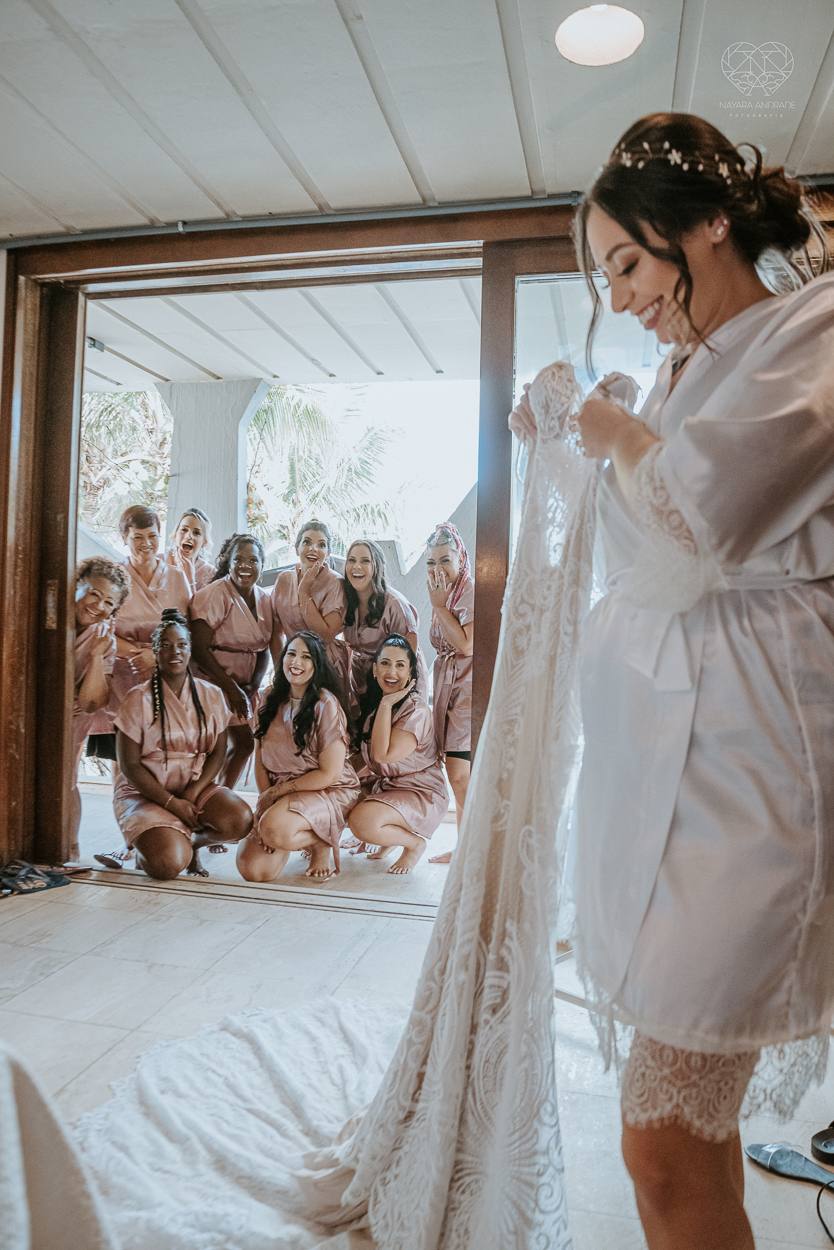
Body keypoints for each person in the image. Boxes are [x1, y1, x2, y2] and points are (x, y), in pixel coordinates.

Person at [510, 112, 834, 1250]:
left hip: (759, 760)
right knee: (679, 1130)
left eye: (631, 263)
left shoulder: (815, 327)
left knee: (660, 1133)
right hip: (669, 763)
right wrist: (572, 435)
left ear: (706, 224)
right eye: (608, 276)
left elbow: (713, 515)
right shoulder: (679, 373)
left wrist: (612, 432)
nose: (626, 295)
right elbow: (645, 556)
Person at [112, 609, 252, 879]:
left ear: (190, 650)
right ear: (154, 651)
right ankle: (150, 849)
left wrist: (191, 793)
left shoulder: (211, 695)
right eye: (165, 645)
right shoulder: (136, 699)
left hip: (193, 785)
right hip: (145, 792)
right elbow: (129, 766)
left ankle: (190, 844)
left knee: (240, 819)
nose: (174, 652)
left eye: (181, 645)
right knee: (167, 864)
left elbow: (219, 753)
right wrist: (172, 803)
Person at [91, 504, 192, 869]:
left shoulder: (178, 577)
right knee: (123, 761)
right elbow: (99, 627)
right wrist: (137, 650)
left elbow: (183, 630)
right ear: (124, 538)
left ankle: (165, 831)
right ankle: (127, 842)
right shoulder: (115, 576)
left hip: (162, 678)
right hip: (121, 676)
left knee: (161, 758)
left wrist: (156, 655)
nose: (146, 544)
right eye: (137, 537)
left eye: (152, 537)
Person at [236, 632, 359, 883]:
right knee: (254, 871)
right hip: (282, 790)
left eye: (306, 657)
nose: (296, 662)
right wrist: (266, 797)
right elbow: (260, 757)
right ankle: (288, 827)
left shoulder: (326, 704)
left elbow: (330, 773)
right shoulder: (269, 697)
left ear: (317, 665)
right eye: (291, 654)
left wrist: (277, 794)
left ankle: (320, 843)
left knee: (273, 830)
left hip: (326, 789)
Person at [347, 635, 448, 874]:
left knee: (362, 821)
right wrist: (332, 779)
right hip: (389, 787)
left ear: (411, 672)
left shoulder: (416, 710)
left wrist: (386, 703)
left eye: (400, 665)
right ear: (374, 669)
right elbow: (365, 757)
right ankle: (389, 839)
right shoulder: (375, 708)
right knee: (337, 796)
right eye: (385, 663)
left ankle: (414, 845)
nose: (391, 671)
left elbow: (382, 755)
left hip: (421, 793)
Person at [190, 533, 277, 790]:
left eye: (253, 560)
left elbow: (263, 649)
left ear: (262, 565)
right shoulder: (215, 594)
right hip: (210, 680)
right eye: (238, 559)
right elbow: (198, 648)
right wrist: (231, 688)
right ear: (229, 563)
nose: (245, 566)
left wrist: (252, 687)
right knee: (211, 747)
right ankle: (203, 796)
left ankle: (222, 791)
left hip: (242, 686)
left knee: (245, 744)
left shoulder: (265, 600)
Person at [72, 558, 129, 861]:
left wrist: (95, 657)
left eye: (109, 602)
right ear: (76, 584)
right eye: (94, 594)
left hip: (73, 713)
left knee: (65, 780)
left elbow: (91, 703)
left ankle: (68, 852)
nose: (98, 605)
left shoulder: (103, 636)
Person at [425, 523, 474, 864]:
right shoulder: (442, 593)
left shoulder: (468, 590)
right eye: (431, 562)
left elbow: (467, 645)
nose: (438, 569)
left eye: (445, 560)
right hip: (448, 688)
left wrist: (441, 608)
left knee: (459, 773)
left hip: (470, 690)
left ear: (461, 558)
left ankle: (474, 850)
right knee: (460, 774)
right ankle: (466, 848)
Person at [341, 539, 428, 711]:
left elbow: (410, 653)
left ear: (377, 566)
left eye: (365, 561)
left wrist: (394, 695)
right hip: (360, 680)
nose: (356, 566)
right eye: (352, 560)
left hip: (395, 681)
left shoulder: (395, 605)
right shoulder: (345, 600)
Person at [270, 519, 349, 698]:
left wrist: (304, 593)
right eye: (307, 542)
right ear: (296, 548)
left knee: (325, 719)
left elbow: (326, 635)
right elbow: (275, 632)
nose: (313, 548)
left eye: (321, 545)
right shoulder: (283, 579)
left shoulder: (335, 583)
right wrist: (280, 670)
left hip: (326, 664)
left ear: (327, 553)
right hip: (292, 664)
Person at [165, 507, 215, 594]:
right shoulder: (159, 562)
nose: (189, 536)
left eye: (196, 533)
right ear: (175, 536)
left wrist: (190, 578)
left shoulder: (210, 573)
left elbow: (199, 607)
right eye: (184, 530)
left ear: (204, 542)